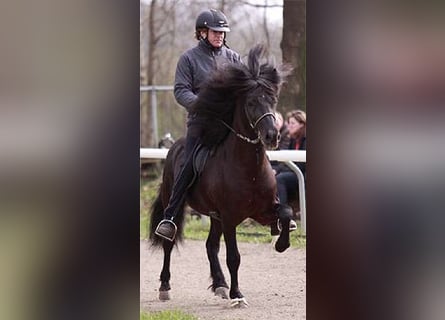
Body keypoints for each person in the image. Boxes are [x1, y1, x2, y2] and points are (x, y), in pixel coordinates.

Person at [155, 9, 241, 241]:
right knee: (190, 162)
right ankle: (170, 216)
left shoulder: (233, 58)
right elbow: (181, 91)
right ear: (202, 32)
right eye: (215, 31)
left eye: (223, 32)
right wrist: (204, 105)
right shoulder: (188, 59)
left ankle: (271, 208)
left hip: (230, 124)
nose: (220, 35)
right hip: (201, 124)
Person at [274, 109, 306, 228]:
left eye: (292, 123)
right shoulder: (293, 139)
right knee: (279, 177)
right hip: (297, 173)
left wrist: (280, 171)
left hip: (304, 174)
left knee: (281, 178)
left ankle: (284, 217)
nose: (289, 126)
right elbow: (289, 160)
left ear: (302, 125)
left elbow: (302, 165)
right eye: (289, 123)